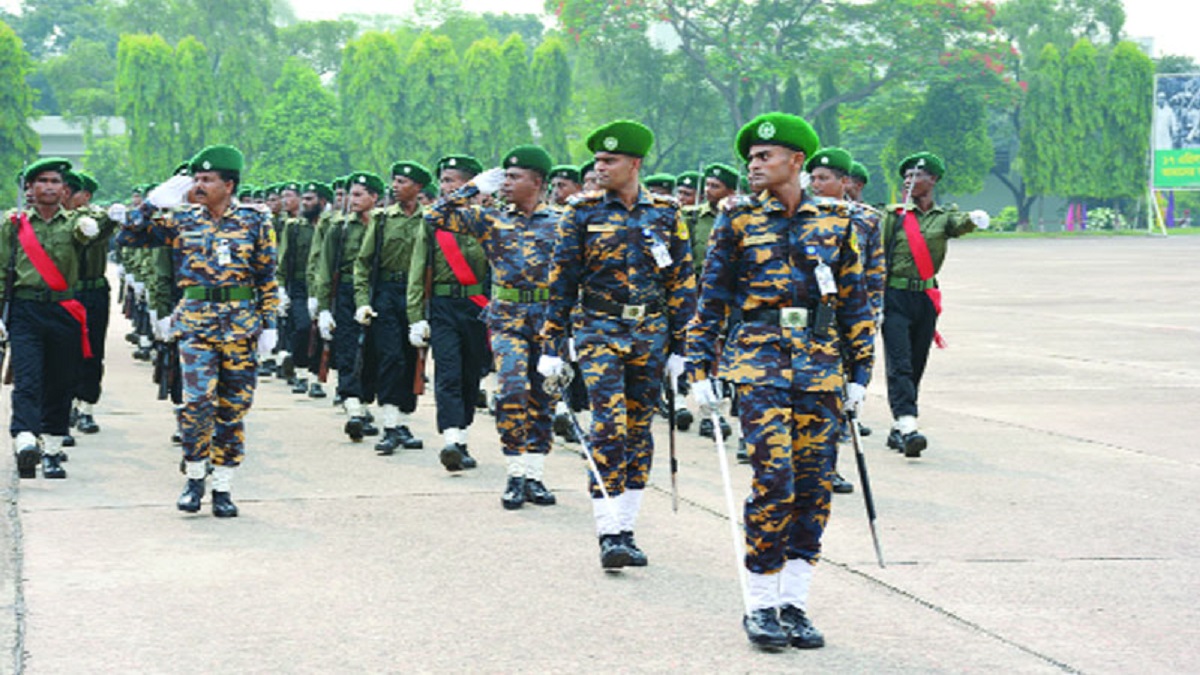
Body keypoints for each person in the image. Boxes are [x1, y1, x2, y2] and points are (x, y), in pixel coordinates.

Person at [687, 113, 876, 650]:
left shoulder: (839, 223)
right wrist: (699, 367)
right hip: (758, 362)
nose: (754, 164)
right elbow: (713, 299)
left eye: (765, 156)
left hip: (819, 365)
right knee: (775, 480)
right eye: (750, 157)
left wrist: (861, 372)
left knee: (813, 488)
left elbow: (856, 303)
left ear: (797, 161)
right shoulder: (738, 219)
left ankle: (794, 603)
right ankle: (760, 604)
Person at [538, 120, 696, 569]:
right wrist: (553, 344)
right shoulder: (580, 212)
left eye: (610, 160)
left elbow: (682, 281)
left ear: (635, 164)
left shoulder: (666, 213)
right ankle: (608, 531)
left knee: (639, 427)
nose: (600, 167)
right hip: (599, 329)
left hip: (651, 331)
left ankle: (627, 525)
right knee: (608, 424)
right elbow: (562, 280)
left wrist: (684, 348)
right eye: (598, 160)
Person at [117, 144, 279, 517]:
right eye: (197, 179)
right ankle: (193, 477)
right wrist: (154, 203)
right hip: (195, 325)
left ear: (230, 184)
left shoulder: (255, 222)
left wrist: (270, 324)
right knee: (196, 404)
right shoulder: (182, 220)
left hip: (241, 328)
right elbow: (127, 236)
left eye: (208, 179)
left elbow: (267, 277)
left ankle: (222, 486)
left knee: (233, 409)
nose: (199, 185)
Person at [427, 145, 562, 509]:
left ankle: (535, 474)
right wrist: (473, 188)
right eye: (503, 176)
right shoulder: (491, 219)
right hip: (507, 319)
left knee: (542, 395)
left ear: (537, 182)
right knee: (512, 389)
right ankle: (515, 473)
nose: (505, 183)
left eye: (514, 177)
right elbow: (433, 216)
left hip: (548, 320)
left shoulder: (562, 222)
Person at [881, 152, 989, 456]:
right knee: (899, 362)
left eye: (917, 176)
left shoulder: (943, 217)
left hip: (926, 298)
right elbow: (875, 256)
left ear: (933, 180)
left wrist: (974, 220)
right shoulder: (893, 216)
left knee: (916, 362)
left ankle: (898, 425)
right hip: (894, 296)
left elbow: (958, 224)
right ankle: (908, 425)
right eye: (906, 177)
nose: (909, 181)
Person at [2, 158, 102, 479]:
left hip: (64, 310)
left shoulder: (74, 223)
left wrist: (95, 222)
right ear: (29, 188)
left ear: (64, 189)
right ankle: (26, 438)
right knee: (28, 378)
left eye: (55, 182)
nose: (48, 186)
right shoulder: (13, 224)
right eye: (41, 181)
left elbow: (99, 225)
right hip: (26, 309)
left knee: (61, 380)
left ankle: (53, 448)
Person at [410, 155, 491, 472]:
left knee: (471, 373)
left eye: (452, 180)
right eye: (443, 181)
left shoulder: (487, 218)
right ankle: (451, 441)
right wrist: (416, 316)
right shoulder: (433, 220)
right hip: (443, 306)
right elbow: (418, 270)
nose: (446, 186)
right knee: (448, 373)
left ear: (470, 183)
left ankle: (464, 435)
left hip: (478, 307)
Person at [354, 162, 430, 455]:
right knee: (391, 357)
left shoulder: (429, 219)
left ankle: (403, 422)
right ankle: (388, 426)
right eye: (394, 181)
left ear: (418, 187)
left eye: (402, 181)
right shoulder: (383, 220)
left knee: (413, 359)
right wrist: (362, 302)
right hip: (386, 294)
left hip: (418, 297)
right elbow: (363, 262)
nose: (395, 186)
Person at [315, 171, 383, 441]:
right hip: (345, 293)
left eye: (358, 195)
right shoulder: (340, 227)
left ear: (374, 197)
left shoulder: (383, 224)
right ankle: (353, 406)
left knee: (372, 352)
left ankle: (364, 403)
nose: (352, 200)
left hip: (376, 292)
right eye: (351, 194)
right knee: (347, 349)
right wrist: (322, 307)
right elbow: (325, 268)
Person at [66, 171, 120, 436]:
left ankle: (86, 407)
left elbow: (99, 229)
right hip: (66, 293)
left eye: (72, 191)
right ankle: (65, 405)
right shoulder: (58, 221)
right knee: (64, 353)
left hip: (93, 292)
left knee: (92, 351)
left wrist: (110, 217)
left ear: (85, 196)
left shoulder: (96, 218)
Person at [277, 181, 326, 396]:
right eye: (303, 199)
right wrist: (280, 288)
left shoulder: (330, 227)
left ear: (322, 202)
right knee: (303, 328)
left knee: (322, 332)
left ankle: (315, 378)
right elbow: (284, 258)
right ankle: (300, 371)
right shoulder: (294, 227)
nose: (305, 204)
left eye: (310, 199)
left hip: (323, 287)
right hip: (299, 286)